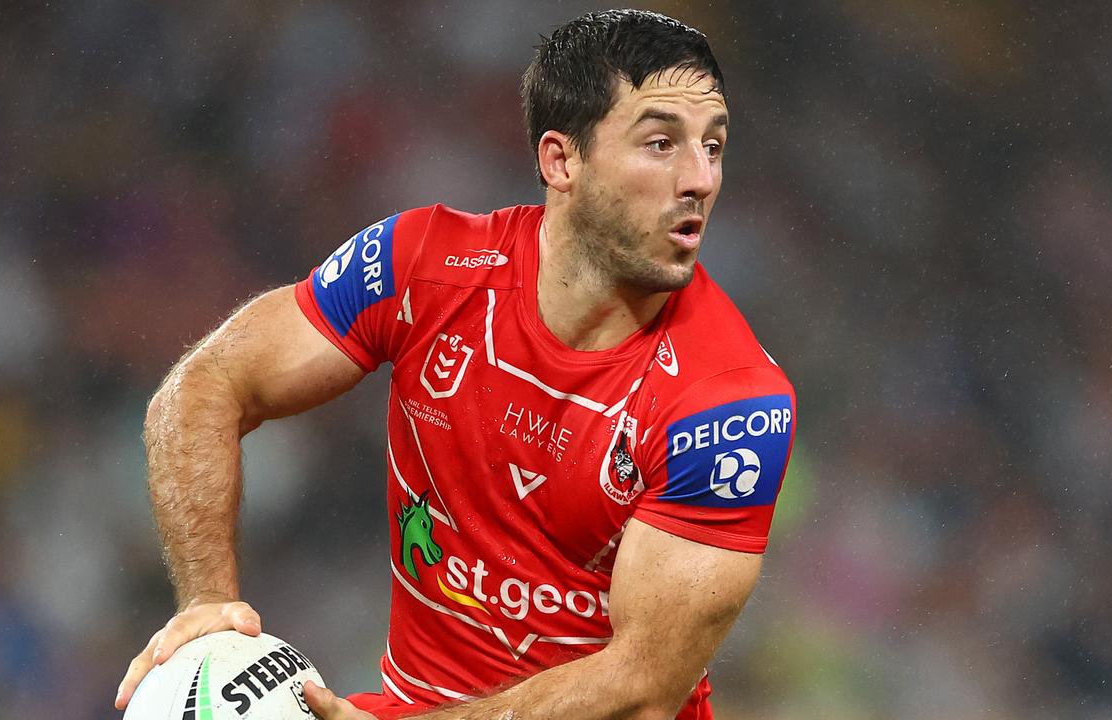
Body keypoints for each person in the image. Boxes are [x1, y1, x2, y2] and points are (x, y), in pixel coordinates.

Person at [115, 9, 796, 719]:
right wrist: (208, 602)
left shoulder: (730, 404)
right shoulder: (424, 269)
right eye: (661, 143)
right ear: (561, 161)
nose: (700, 179)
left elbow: (643, 690)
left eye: (713, 146)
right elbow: (204, 385)